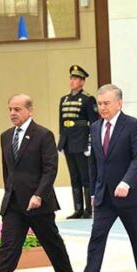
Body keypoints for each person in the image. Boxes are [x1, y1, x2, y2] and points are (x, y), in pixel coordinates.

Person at [0, 94, 77, 272]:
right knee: (8, 246)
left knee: (52, 244)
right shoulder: (6, 136)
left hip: (38, 203)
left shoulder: (43, 135)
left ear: (30, 110)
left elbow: (50, 169)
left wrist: (39, 195)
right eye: (10, 109)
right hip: (14, 203)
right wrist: (9, 192)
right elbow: (7, 171)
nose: (12, 113)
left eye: (17, 109)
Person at [67, 84, 137, 272]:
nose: (102, 108)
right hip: (104, 195)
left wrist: (126, 182)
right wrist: (94, 192)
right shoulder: (95, 127)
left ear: (119, 103)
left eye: (107, 103)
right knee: (97, 236)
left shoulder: (132, 125)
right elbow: (94, 163)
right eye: (100, 104)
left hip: (130, 195)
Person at [58, 65, 99, 219]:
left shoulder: (88, 99)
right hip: (69, 142)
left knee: (85, 177)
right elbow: (62, 122)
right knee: (74, 176)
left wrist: (90, 143)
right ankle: (78, 209)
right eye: (71, 78)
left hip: (82, 142)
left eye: (76, 79)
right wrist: (61, 143)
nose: (72, 81)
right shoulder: (65, 99)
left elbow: (94, 123)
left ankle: (89, 210)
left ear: (82, 82)